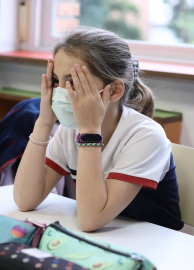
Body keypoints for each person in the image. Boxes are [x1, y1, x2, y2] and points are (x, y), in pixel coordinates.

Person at [13, 26, 183, 232]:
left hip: (155, 245)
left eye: (74, 82)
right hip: (104, 239)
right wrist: (44, 122)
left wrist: (90, 131)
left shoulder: (146, 136)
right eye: (57, 81)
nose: (60, 92)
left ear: (114, 91)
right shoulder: (71, 129)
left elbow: (90, 220)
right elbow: (25, 199)